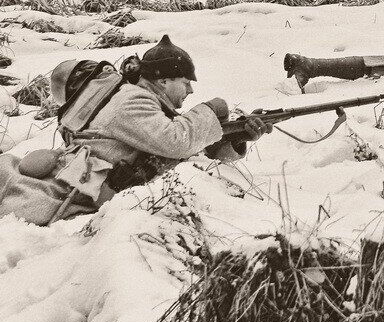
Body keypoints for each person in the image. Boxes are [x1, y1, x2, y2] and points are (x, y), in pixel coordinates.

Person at [0, 36, 271, 226]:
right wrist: (211, 109)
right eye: (186, 82)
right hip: (59, 196)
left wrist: (237, 138)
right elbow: (177, 141)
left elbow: (183, 148)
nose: (191, 90)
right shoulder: (131, 101)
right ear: (164, 80)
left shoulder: (149, 105)